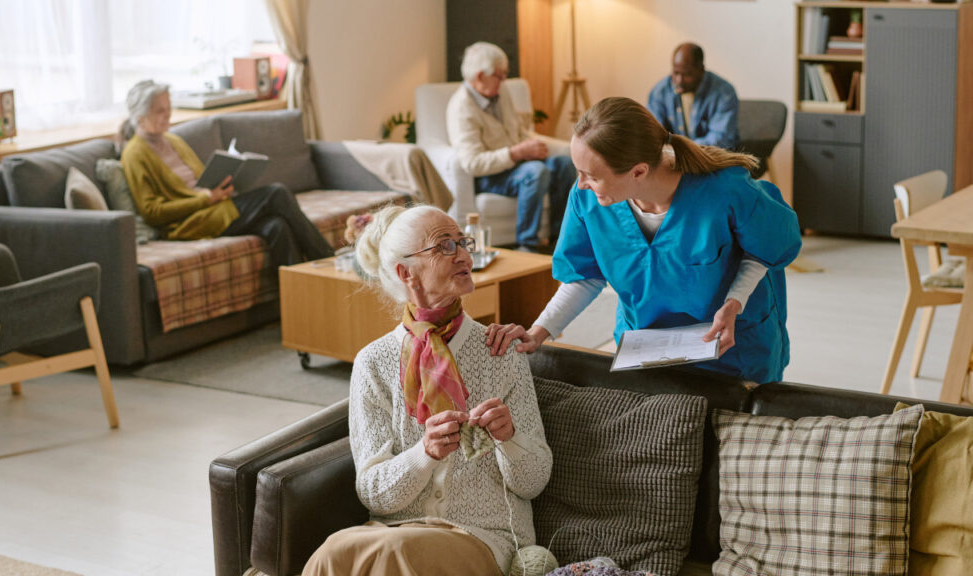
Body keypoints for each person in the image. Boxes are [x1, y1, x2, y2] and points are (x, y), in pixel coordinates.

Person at [302, 204, 552, 576]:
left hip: (483, 539)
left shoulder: (500, 352)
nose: (464, 254)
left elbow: (533, 482)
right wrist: (425, 453)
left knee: (388, 550)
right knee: (335, 549)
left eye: (462, 243)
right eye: (445, 246)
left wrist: (509, 437)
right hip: (393, 533)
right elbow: (372, 492)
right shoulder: (373, 362)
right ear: (407, 273)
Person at [486, 97, 801, 384]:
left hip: (730, 349)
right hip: (646, 349)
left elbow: (766, 248)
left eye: (592, 175)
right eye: (578, 172)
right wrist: (538, 332)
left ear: (637, 172)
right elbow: (583, 275)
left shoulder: (724, 190)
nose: (580, 184)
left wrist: (733, 304)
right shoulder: (589, 200)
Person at [119, 79, 332, 268]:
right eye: (160, 111)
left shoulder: (172, 140)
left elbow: (200, 179)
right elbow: (152, 211)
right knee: (276, 193)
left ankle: (295, 300)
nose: (168, 114)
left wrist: (223, 184)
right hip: (190, 222)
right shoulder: (135, 154)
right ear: (140, 117)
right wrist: (206, 198)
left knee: (277, 226)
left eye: (168, 107)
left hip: (214, 207)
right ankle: (327, 259)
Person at [446, 42, 576, 251]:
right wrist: (516, 153)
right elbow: (472, 163)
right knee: (535, 171)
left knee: (564, 164)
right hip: (489, 176)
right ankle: (528, 245)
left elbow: (517, 132)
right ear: (480, 76)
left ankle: (560, 240)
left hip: (516, 166)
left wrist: (531, 146)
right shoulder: (461, 108)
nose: (503, 80)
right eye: (498, 75)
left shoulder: (501, 92)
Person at [647, 43, 739, 150]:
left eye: (687, 74)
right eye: (676, 73)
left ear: (701, 70)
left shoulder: (724, 93)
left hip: (714, 159)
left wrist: (682, 150)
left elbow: (721, 140)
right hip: (672, 158)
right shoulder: (660, 91)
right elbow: (653, 134)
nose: (679, 80)